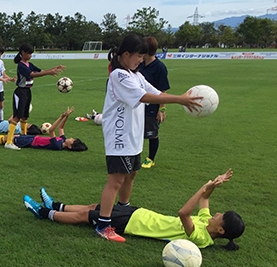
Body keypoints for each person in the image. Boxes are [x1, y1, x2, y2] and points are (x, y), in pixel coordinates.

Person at [95, 34, 203, 242]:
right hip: (120, 136)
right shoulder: (119, 75)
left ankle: (123, 210)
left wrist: (178, 98)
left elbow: (153, 91)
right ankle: (103, 225)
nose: (141, 61)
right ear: (126, 54)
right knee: (116, 180)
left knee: (132, 173)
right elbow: (144, 97)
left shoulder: (135, 74)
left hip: (133, 135)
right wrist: (178, 100)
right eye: (138, 56)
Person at [23, 169, 245, 250]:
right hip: (140, 213)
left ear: (222, 231)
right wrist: (214, 184)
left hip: (131, 225)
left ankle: (43, 213)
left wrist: (203, 187)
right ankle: (55, 205)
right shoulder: (207, 222)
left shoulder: (201, 237)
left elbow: (183, 213)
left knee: (85, 216)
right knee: (95, 207)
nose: (216, 214)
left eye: (220, 217)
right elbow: (205, 199)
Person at [4, 43, 65, 150]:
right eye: (29, 53)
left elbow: (40, 71)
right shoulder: (21, 66)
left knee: (25, 116)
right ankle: (9, 142)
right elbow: (32, 74)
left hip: (27, 91)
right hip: (20, 92)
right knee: (17, 116)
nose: (31, 55)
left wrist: (53, 69)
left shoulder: (29, 64)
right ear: (23, 53)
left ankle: (23, 136)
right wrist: (49, 73)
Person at [0, 107, 87, 151]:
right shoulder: (62, 140)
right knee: (13, 137)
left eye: (72, 140)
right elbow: (61, 128)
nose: (71, 138)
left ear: (70, 146)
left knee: (8, 138)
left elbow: (52, 130)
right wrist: (66, 116)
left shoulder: (57, 145)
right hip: (32, 138)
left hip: (31, 142)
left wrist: (60, 117)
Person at [138, 36, 170, 169]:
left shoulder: (160, 67)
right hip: (138, 104)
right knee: (136, 132)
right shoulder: (139, 65)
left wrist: (161, 109)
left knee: (152, 134)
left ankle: (151, 158)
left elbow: (163, 90)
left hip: (152, 106)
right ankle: (135, 156)